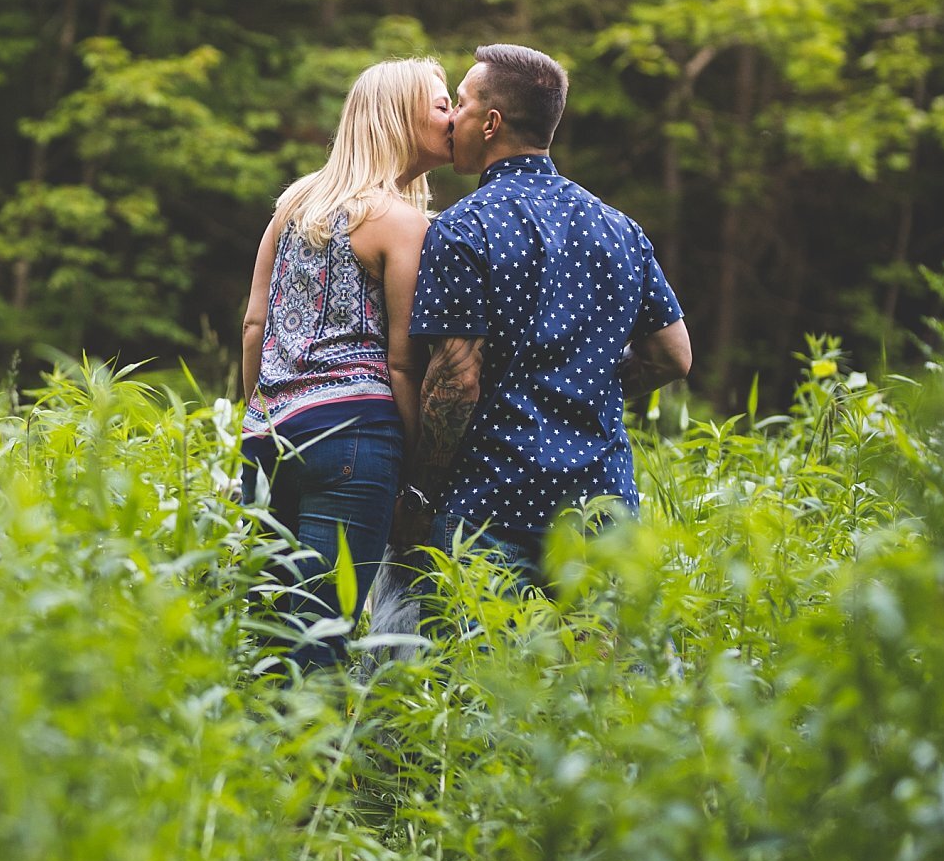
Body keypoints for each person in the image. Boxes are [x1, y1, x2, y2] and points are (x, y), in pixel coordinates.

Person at [393, 43, 693, 591]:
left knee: (477, 674)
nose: (451, 118)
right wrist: (588, 383)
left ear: (490, 122)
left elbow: (457, 379)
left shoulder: (463, 228)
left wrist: (419, 494)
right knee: (596, 676)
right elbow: (674, 356)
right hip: (602, 509)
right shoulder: (619, 228)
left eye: (459, 104)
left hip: (490, 508)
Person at [239, 57, 453, 670]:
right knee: (321, 635)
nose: (451, 116)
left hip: (269, 432)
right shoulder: (403, 223)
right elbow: (404, 363)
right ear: (398, 117)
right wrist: (414, 466)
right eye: (440, 104)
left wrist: (262, 414)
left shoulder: (296, 204)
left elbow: (255, 325)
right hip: (355, 437)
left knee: (270, 627)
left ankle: (255, 757)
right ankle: (312, 763)